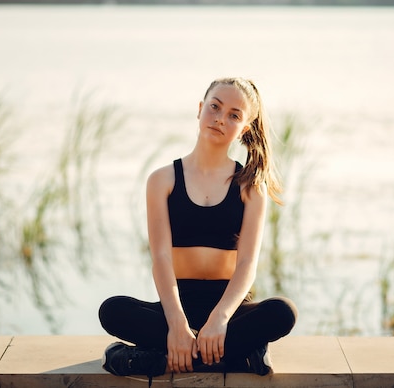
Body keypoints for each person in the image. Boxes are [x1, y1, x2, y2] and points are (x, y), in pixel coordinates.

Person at [98, 77, 298, 384]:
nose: (220, 118)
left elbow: (247, 264)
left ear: (244, 128)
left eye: (234, 115)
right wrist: (177, 323)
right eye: (215, 107)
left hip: (229, 309)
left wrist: (219, 319)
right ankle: (241, 356)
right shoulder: (162, 180)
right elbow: (162, 258)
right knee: (112, 311)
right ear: (200, 109)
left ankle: (157, 359)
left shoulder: (249, 186)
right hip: (178, 304)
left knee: (283, 312)